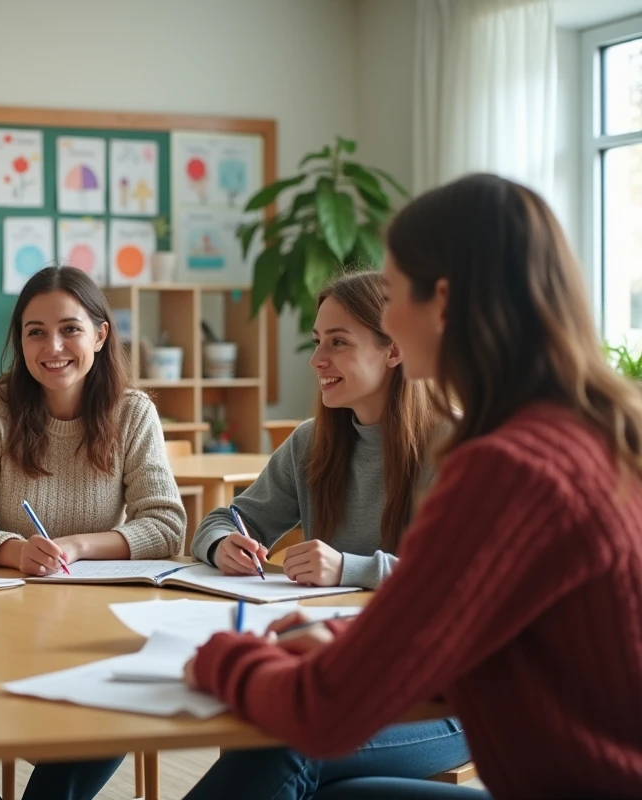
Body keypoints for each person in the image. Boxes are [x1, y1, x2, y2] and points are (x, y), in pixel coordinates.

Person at [186, 173, 642, 799]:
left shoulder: (506, 466)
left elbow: (323, 711)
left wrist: (220, 657)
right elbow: (451, 615)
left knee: (287, 749)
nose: (393, 317)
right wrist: (340, 640)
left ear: (443, 302)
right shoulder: (589, 434)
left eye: (396, 293)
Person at [184, 271, 468, 798]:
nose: (317, 359)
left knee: (290, 743)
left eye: (338, 342)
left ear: (394, 350)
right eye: (318, 341)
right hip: (342, 668)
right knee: (270, 737)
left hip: (443, 695)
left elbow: (459, 586)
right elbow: (222, 520)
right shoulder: (311, 442)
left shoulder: (453, 444)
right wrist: (223, 545)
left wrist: (348, 567)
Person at [0, 265, 185, 800]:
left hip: (95, 620)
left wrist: (78, 546)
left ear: (100, 335)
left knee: (121, 700)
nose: (53, 347)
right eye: (36, 332)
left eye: (70, 329)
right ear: (20, 341)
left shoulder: (133, 412)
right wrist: (15, 550)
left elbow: (166, 525)